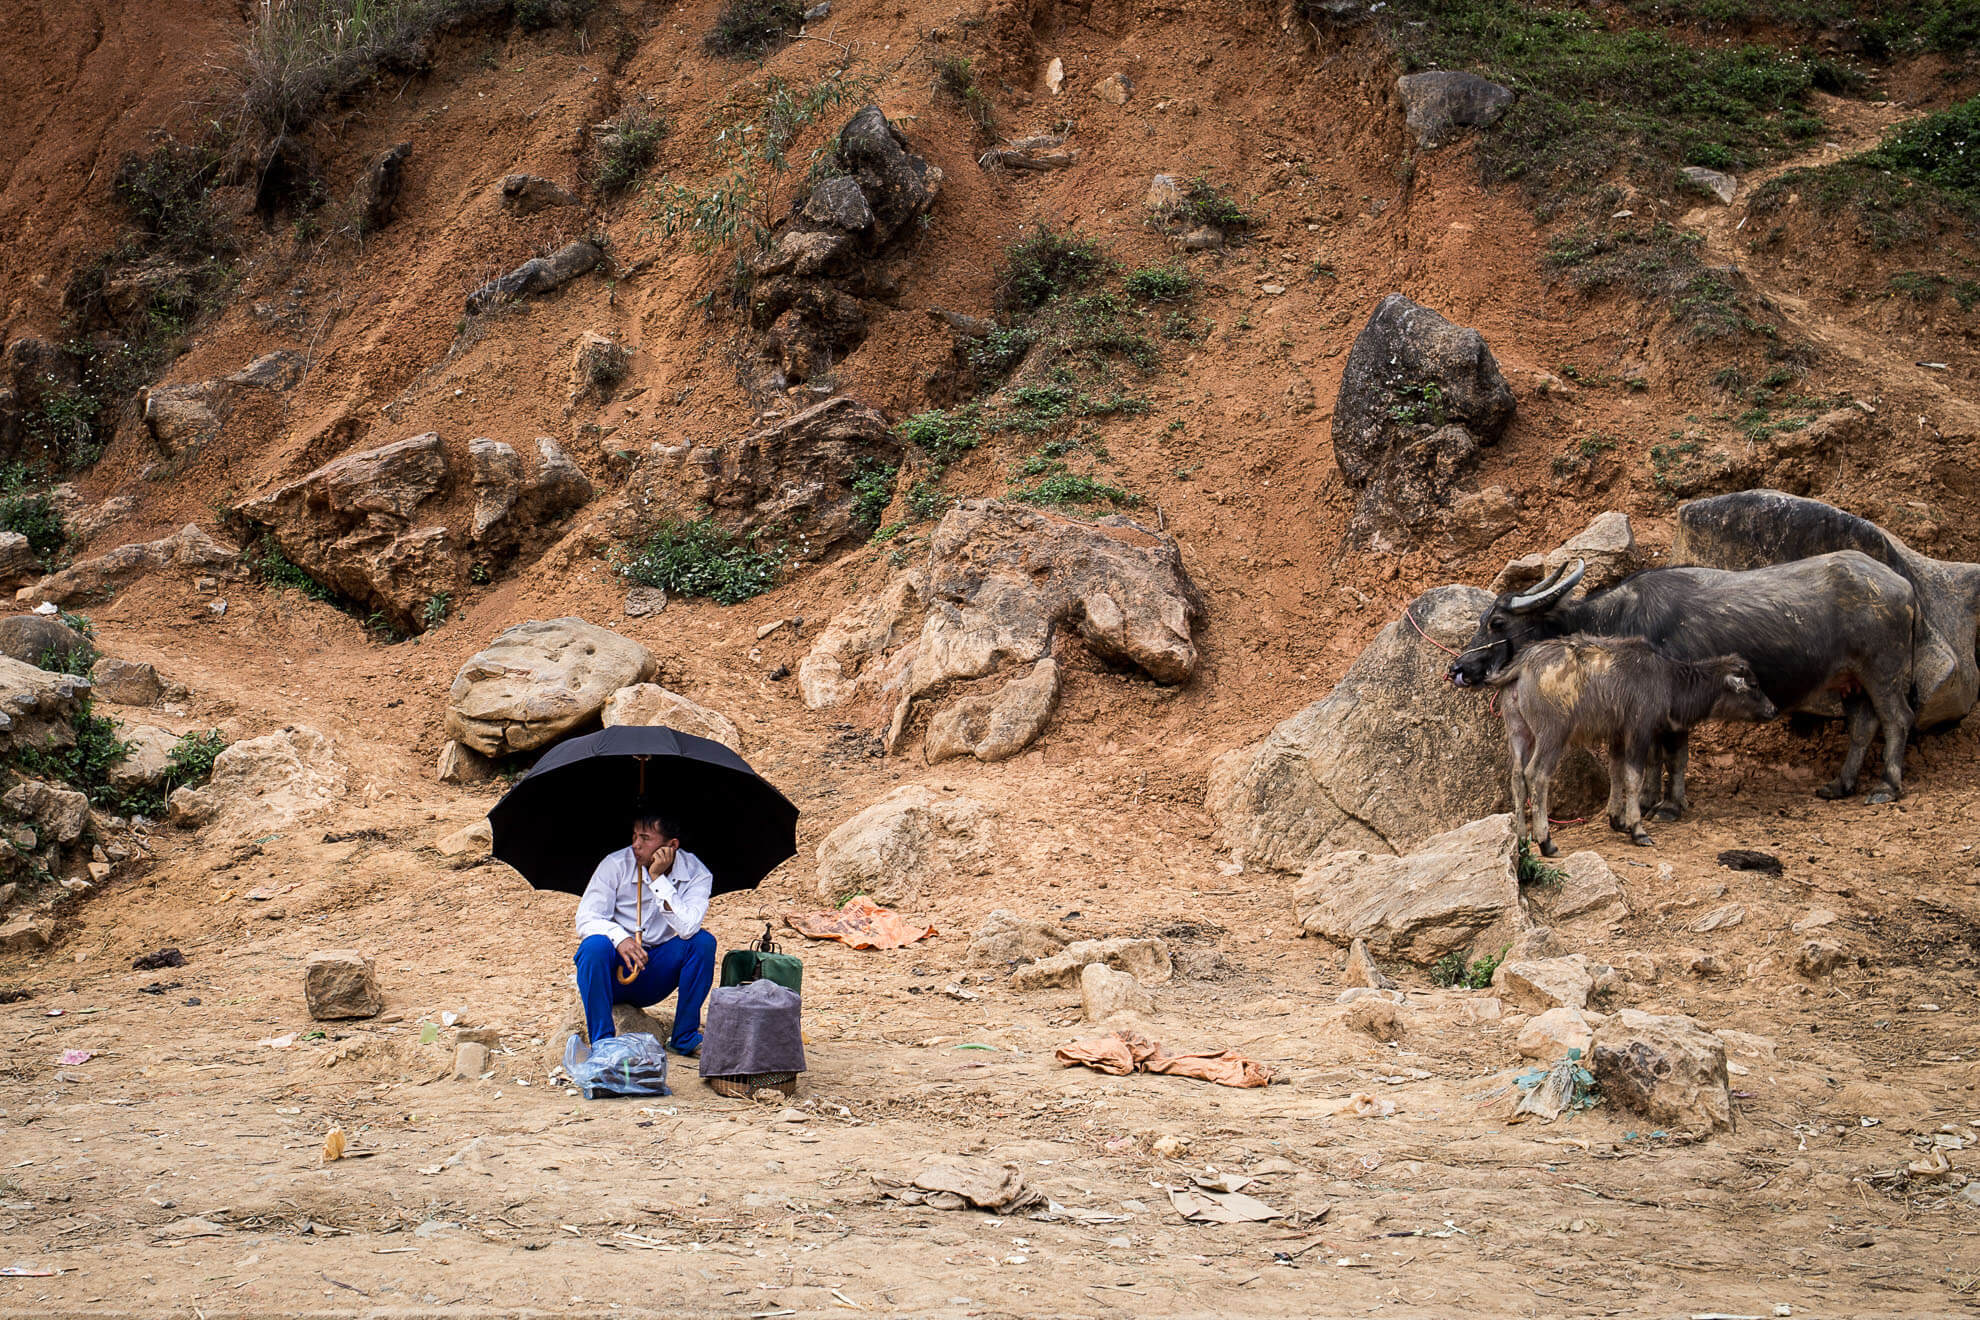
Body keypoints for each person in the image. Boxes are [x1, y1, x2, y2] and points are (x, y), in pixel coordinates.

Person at [573, 808, 716, 1055]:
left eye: (645, 838)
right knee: (593, 946)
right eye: (634, 836)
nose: (636, 845)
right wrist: (621, 938)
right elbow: (586, 918)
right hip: (614, 971)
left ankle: (684, 1036)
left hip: (656, 972)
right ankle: (604, 1043)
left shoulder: (697, 873)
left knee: (702, 942)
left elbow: (688, 928)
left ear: (671, 845)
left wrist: (658, 879)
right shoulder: (615, 864)